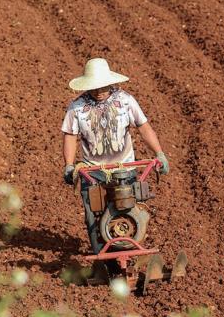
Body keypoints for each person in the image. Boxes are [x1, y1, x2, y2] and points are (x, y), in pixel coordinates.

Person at [61, 58, 169, 254]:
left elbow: (143, 127)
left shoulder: (125, 100)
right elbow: (70, 135)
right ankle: (103, 258)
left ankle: (132, 254)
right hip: (92, 172)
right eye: (95, 87)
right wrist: (69, 165)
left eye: (103, 86)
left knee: (132, 211)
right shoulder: (76, 107)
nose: (100, 91)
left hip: (125, 169)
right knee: (93, 217)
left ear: (110, 82)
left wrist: (159, 153)